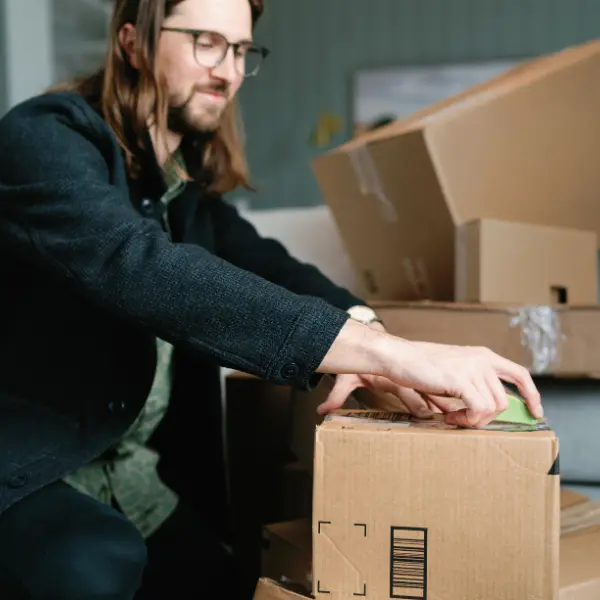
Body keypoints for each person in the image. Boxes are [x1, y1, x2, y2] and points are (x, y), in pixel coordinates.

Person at [0, 0, 543, 598]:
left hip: (132, 479)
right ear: (132, 42)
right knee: (96, 562)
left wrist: (377, 341)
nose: (229, 71)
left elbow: (274, 267)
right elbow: (139, 266)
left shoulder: (183, 191)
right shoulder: (42, 137)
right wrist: (387, 356)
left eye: (240, 49)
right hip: (31, 466)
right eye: (206, 41)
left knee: (231, 582)